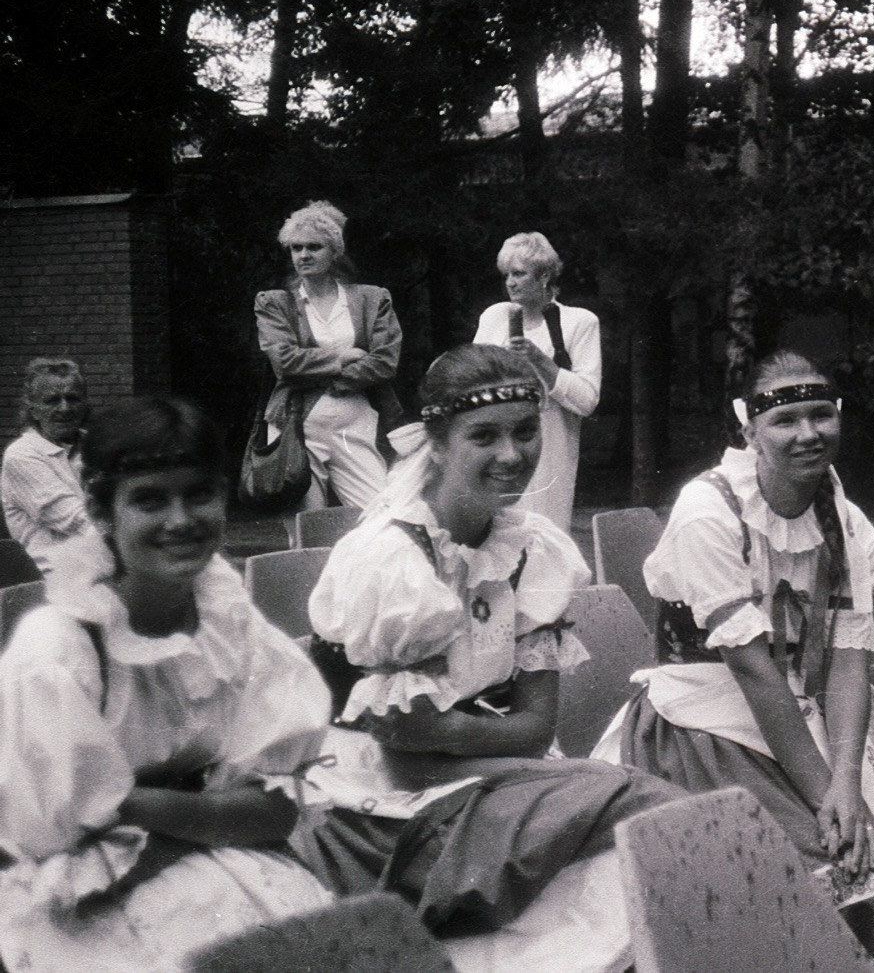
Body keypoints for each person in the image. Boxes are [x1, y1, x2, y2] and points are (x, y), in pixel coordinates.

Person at [595, 350, 874, 972]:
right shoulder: (709, 511)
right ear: (750, 431)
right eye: (785, 421)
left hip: (793, 714)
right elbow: (751, 670)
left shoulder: (847, 522)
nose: (808, 434)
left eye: (821, 415)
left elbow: (851, 659)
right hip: (696, 722)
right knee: (828, 866)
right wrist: (825, 795)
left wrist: (846, 784)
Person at [298, 343, 680, 971]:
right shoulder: (391, 563)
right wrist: (493, 744)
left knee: (648, 818)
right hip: (379, 801)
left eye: (526, 432)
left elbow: (536, 727)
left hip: (486, 775)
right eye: (484, 436)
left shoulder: (533, 551)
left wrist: (449, 731)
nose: (512, 455)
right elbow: (402, 751)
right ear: (438, 444)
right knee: (635, 808)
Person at [0, 397, 334, 971]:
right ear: (104, 512)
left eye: (198, 494)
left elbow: (275, 812)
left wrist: (131, 803)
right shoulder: (59, 648)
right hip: (88, 894)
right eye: (150, 500)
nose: (180, 521)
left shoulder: (232, 627)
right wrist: (213, 809)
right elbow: (55, 841)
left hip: (227, 861)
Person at [255, 200, 402, 511]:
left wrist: (334, 379)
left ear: (335, 251)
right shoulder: (276, 304)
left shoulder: (371, 299)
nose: (304, 255)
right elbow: (284, 362)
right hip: (296, 428)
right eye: (296, 248)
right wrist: (342, 358)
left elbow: (386, 361)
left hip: (355, 425)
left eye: (314, 247)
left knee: (382, 516)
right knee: (307, 529)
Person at [472, 231, 602, 530]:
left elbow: (587, 400)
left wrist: (539, 360)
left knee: (542, 535)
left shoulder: (578, 322)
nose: (510, 282)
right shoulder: (495, 316)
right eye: (506, 274)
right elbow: (470, 377)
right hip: (493, 444)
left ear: (544, 276)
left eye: (519, 274)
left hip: (548, 451)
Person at [2, 356, 89, 573]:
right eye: (52, 400)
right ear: (33, 410)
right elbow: (76, 521)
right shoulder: (22, 455)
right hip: (54, 580)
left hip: (102, 567)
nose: (65, 408)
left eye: (73, 398)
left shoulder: (95, 444)